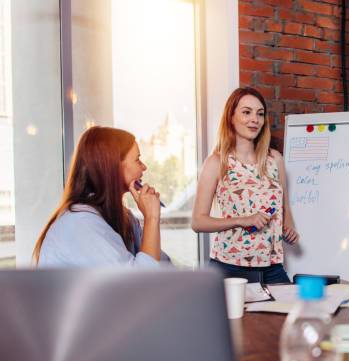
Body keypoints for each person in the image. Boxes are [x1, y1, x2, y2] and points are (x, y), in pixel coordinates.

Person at [191, 87, 299, 284]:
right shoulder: (217, 162)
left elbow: (284, 205)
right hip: (228, 268)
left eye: (260, 114)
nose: (255, 120)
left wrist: (288, 225)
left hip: (272, 267)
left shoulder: (275, 159)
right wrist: (243, 220)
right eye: (246, 112)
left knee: (286, 313)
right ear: (231, 117)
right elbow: (198, 222)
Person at [33, 126, 169, 267]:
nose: (144, 167)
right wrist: (151, 218)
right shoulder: (81, 224)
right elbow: (140, 283)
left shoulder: (126, 218)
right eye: (137, 160)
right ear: (115, 166)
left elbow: (163, 266)